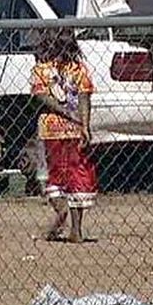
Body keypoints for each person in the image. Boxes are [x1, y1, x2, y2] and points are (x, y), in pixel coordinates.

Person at [30, 29, 97, 244]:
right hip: (75, 129)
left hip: (51, 130)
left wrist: (61, 110)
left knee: (53, 172)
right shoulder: (80, 70)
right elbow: (85, 99)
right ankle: (76, 229)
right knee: (77, 173)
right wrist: (84, 125)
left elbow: (41, 95)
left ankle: (61, 209)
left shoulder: (41, 70)